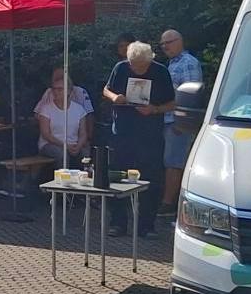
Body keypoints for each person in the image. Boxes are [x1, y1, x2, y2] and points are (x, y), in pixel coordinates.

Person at [103, 41, 175, 235]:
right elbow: (106, 89)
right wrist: (114, 97)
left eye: (141, 66)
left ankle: (146, 226)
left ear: (149, 60)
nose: (136, 68)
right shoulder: (120, 68)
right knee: (118, 177)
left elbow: (172, 103)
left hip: (150, 135)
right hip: (123, 133)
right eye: (133, 64)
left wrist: (155, 109)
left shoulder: (160, 72)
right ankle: (118, 223)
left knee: (150, 180)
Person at [159, 29, 203, 213]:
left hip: (178, 122)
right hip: (168, 119)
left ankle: (169, 205)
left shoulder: (188, 63)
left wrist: (181, 122)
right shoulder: (172, 64)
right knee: (169, 161)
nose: (165, 47)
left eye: (169, 42)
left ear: (180, 41)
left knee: (174, 163)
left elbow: (190, 96)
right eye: (162, 44)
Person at [33, 66, 93, 169]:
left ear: (69, 91)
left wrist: (78, 146)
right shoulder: (46, 109)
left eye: (60, 89)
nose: (56, 92)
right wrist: (65, 145)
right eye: (54, 89)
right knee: (62, 155)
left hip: (73, 144)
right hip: (50, 144)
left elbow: (83, 133)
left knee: (85, 154)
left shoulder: (79, 109)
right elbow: (46, 134)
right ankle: (62, 182)